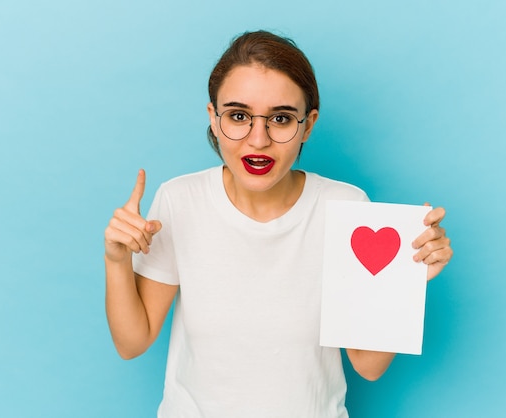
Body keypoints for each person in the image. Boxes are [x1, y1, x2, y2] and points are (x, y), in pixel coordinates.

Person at [104, 30, 453, 418]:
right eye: (238, 116)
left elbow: (368, 366)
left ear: (307, 125)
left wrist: (405, 279)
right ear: (213, 119)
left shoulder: (346, 207)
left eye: (281, 119)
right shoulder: (179, 201)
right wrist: (116, 260)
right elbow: (131, 343)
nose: (258, 139)